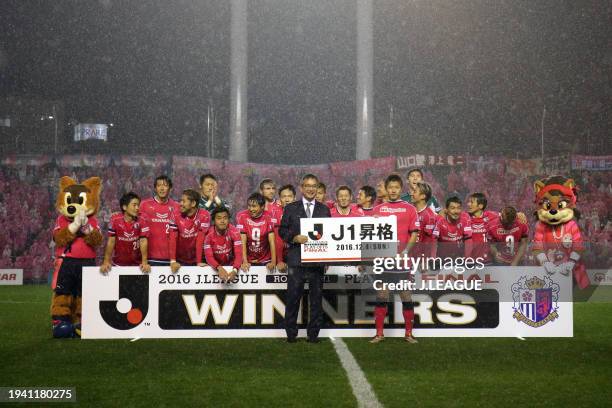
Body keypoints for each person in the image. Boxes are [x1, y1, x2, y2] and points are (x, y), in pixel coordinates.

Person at [279, 174, 331, 343]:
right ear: (301, 188)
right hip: (296, 260)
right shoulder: (291, 208)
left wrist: (328, 259)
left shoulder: (324, 210)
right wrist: (294, 238)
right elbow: (282, 231)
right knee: (293, 298)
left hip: (317, 262)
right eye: (307, 186)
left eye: (314, 186)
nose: (310, 189)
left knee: (316, 300)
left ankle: (313, 335)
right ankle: (291, 335)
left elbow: (329, 236)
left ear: (317, 188)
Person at [370, 174, 420, 344]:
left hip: (402, 261)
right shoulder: (378, 209)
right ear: (386, 188)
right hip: (383, 261)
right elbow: (371, 236)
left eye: (396, 187)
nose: (392, 190)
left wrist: (405, 251)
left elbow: (414, 233)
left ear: (401, 189)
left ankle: (408, 334)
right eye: (390, 187)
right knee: (382, 295)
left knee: (406, 296)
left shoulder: (410, 209)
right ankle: (379, 334)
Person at [100, 192, 150, 274]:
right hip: (118, 265)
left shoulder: (142, 220)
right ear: (124, 207)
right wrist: (106, 261)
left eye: (138, 205)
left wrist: (144, 262)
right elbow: (111, 241)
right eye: (134, 205)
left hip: (137, 266)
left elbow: (143, 241)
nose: (137, 208)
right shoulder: (115, 220)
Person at [139, 176, 180, 266]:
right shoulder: (144, 205)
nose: (162, 188)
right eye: (159, 185)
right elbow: (133, 218)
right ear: (155, 188)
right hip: (149, 258)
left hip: (171, 259)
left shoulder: (177, 206)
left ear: (170, 188)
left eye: (165, 185)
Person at [168, 189, 211, 273]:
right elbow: (173, 238)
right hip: (180, 260)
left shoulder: (204, 215)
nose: (180, 204)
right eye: (180, 201)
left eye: (184, 201)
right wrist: (173, 261)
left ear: (193, 203)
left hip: (197, 258)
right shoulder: (175, 214)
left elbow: (200, 240)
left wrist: (198, 262)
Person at [236, 193, 276, 272]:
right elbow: (242, 241)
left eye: (254, 206)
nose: (251, 209)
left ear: (262, 207)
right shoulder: (241, 216)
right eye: (249, 206)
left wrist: (273, 262)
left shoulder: (269, 216)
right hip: (248, 260)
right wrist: (245, 261)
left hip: (265, 259)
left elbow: (272, 241)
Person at [204, 207, 242, 282]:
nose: (222, 221)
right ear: (214, 221)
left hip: (231, 265)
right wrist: (219, 268)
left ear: (229, 220)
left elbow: (238, 254)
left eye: (225, 218)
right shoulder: (208, 235)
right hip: (215, 266)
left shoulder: (235, 232)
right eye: (219, 218)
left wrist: (235, 270)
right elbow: (209, 256)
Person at [466, 192, 499, 266]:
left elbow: (506, 214)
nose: (468, 204)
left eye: (471, 202)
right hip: (469, 262)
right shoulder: (465, 217)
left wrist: (518, 215)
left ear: (480, 206)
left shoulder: (491, 215)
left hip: (486, 261)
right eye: (468, 202)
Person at [410, 182, 437, 260]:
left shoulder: (430, 216)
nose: (411, 194)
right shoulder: (409, 211)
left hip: (420, 260)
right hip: (408, 257)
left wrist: (425, 260)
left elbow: (430, 242)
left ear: (423, 196)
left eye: (415, 191)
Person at [275, 184, 296, 272]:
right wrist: (279, 261)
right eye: (284, 197)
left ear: (294, 198)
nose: (287, 199)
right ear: (280, 199)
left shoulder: (302, 212)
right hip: (279, 255)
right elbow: (276, 238)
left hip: (297, 254)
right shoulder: (274, 214)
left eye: (289, 196)